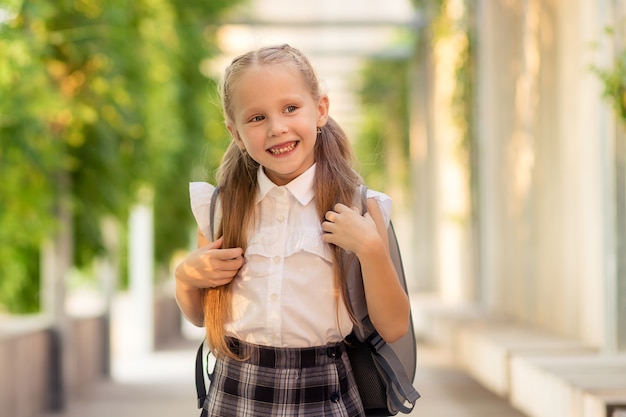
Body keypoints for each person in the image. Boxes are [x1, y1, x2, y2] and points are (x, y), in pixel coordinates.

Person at [175, 44, 410, 417]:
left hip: (327, 397)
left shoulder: (359, 207)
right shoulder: (219, 209)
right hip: (235, 397)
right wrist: (185, 278)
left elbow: (395, 327)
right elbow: (201, 315)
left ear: (320, 110)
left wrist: (370, 249)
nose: (276, 128)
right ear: (235, 133)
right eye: (256, 118)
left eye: (290, 108)